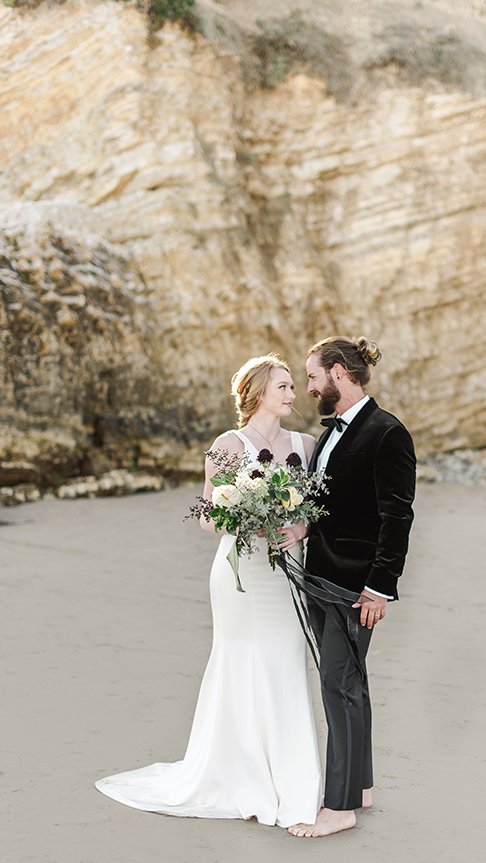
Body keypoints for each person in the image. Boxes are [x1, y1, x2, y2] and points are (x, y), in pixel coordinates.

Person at [95, 355, 322, 828]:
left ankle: (293, 783)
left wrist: (298, 524)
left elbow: (324, 508)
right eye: (282, 386)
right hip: (240, 573)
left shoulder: (307, 443)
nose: (292, 394)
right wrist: (244, 518)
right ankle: (242, 776)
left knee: (285, 662)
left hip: (287, 572)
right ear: (259, 391)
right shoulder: (227, 444)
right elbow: (206, 515)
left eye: (292, 386)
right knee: (239, 662)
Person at [288, 336, 417, 838]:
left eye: (314, 376)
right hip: (320, 574)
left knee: (337, 685)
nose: (310, 386)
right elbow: (334, 506)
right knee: (351, 682)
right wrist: (297, 529)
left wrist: (379, 589)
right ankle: (360, 787)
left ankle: (339, 807)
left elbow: (397, 515)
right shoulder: (333, 433)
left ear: (339, 372)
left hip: (354, 585)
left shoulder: (387, 434)